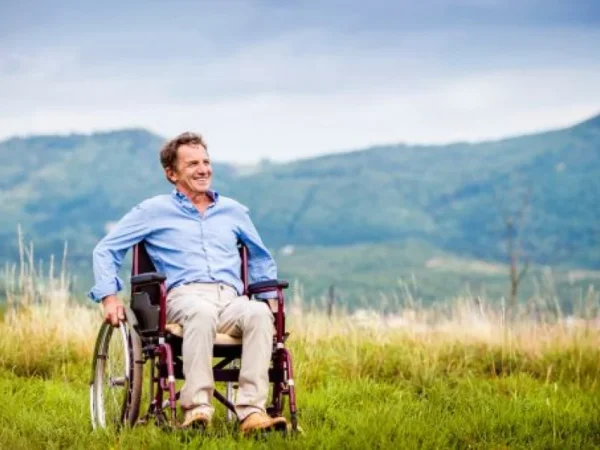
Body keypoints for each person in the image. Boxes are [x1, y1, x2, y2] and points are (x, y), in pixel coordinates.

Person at [89, 132, 287, 433]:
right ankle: (197, 410)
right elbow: (106, 249)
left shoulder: (234, 211)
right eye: (192, 163)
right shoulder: (152, 211)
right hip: (183, 297)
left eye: (206, 162)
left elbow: (260, 257)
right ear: (172, 173)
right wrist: (109, 297)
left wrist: (269, 297)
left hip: (231, 298)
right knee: (201, 312)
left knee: (259, 314)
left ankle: (251, 413)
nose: (203, 169)